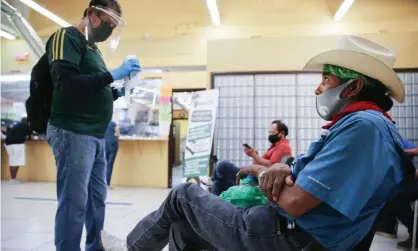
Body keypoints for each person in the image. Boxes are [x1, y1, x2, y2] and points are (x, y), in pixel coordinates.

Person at [101, 36, 412, 251]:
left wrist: (268, 174)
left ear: (353, 86)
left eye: (326, 79)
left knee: (183, 194)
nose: (319, 88)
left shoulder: (363, 128)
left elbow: (294, 202)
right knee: (182, 229)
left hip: (289, 237)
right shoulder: (369, 126)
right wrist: (278, 167)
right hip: (295, 231)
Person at [45, 0, 141, 250]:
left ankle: (95, 248)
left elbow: (95, 88)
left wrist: (120, 89)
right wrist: (112, 74)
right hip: (73, 131)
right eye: (107, 23)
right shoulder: (66, 37)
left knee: (96, 200)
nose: (109, 30)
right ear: (91, 14)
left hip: (97, 135)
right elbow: (66, 83)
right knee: (74, 201)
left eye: (113, 26)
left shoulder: (94, 50)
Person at [211, 120, 292, 195]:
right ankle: (213, 184)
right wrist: (254, 155)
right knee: (216, 184)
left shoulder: (283, 147)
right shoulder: (274, 147)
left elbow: (271, 165)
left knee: (223, 165)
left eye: (272, 132)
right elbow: (263, 162)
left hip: (254, 177)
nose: (270, 135)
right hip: (252, 172)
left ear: (281, 133)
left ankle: (211, 179)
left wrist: (254, 155)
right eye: (269, 132)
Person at [375, 138, 418, 250]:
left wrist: (402, 152)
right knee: (389, 193)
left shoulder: (397, 140)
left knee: (395, 200)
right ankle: (387, 227)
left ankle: (415, 234)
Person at [4, 117, 31, 184]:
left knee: (14, 161)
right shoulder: (25, 126)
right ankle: (13, 179)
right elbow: (30, 134)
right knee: (15, 162)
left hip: (8, 144)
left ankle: (13, 179)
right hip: (16, 144)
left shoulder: (17, 125)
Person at [105, 120, 120, 187]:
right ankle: (107, 183)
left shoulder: (102, 122)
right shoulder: (113, 123)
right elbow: (118, 134)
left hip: (104, 144)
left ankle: (102, 183)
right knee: (110, 165)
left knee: (104, 164)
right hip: (113, 144)